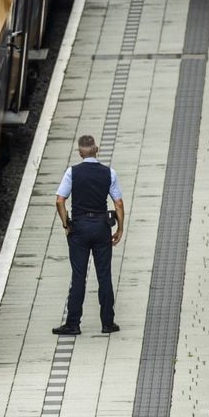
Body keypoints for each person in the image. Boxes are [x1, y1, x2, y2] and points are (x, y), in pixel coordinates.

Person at [51, 135, 125, 336]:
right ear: (97, 149)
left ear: (80, 152)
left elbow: (59, 201)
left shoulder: (72, 172)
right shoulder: (109, 173)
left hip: (80, 228)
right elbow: (118, 203)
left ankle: (73, 324)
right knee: (104, 276)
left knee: (78, 277)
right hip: (102, 227)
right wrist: (119, 229)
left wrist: (67, 224)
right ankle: (107, 323)